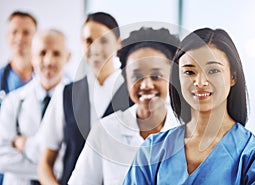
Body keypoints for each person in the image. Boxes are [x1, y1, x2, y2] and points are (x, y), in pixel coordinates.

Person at [123, 28, 255, 184]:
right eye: (189, 72)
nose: (200, 82)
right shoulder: (152, 150)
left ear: (233, 77)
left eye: (213, 71)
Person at [68, 27, 180, 185]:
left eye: (156, 76)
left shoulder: (187, 130)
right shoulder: (105, 130)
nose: (147, 84)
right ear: (126, 80)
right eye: (137, 76)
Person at [38, 12, 133, 185]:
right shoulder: (66, 94)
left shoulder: (135, 94)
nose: (95, 48)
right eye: (89, 41)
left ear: (118, 44)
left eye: (103, 40)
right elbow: (44, 163)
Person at [0, 29, 71, 185]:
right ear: (32, 57)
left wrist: (25, 145)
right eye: (42, 53)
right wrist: (48, 168)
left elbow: (73, 156)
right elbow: (2, 158)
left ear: (68, 57)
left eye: (57, 53)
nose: (48, 61)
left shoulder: (76, 104)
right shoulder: (13, 101)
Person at [0, 11, 37, 106]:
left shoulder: (51, 79)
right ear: (7, 36)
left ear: (36, 38)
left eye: (26, 33)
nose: (20, 38)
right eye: (14, 32)